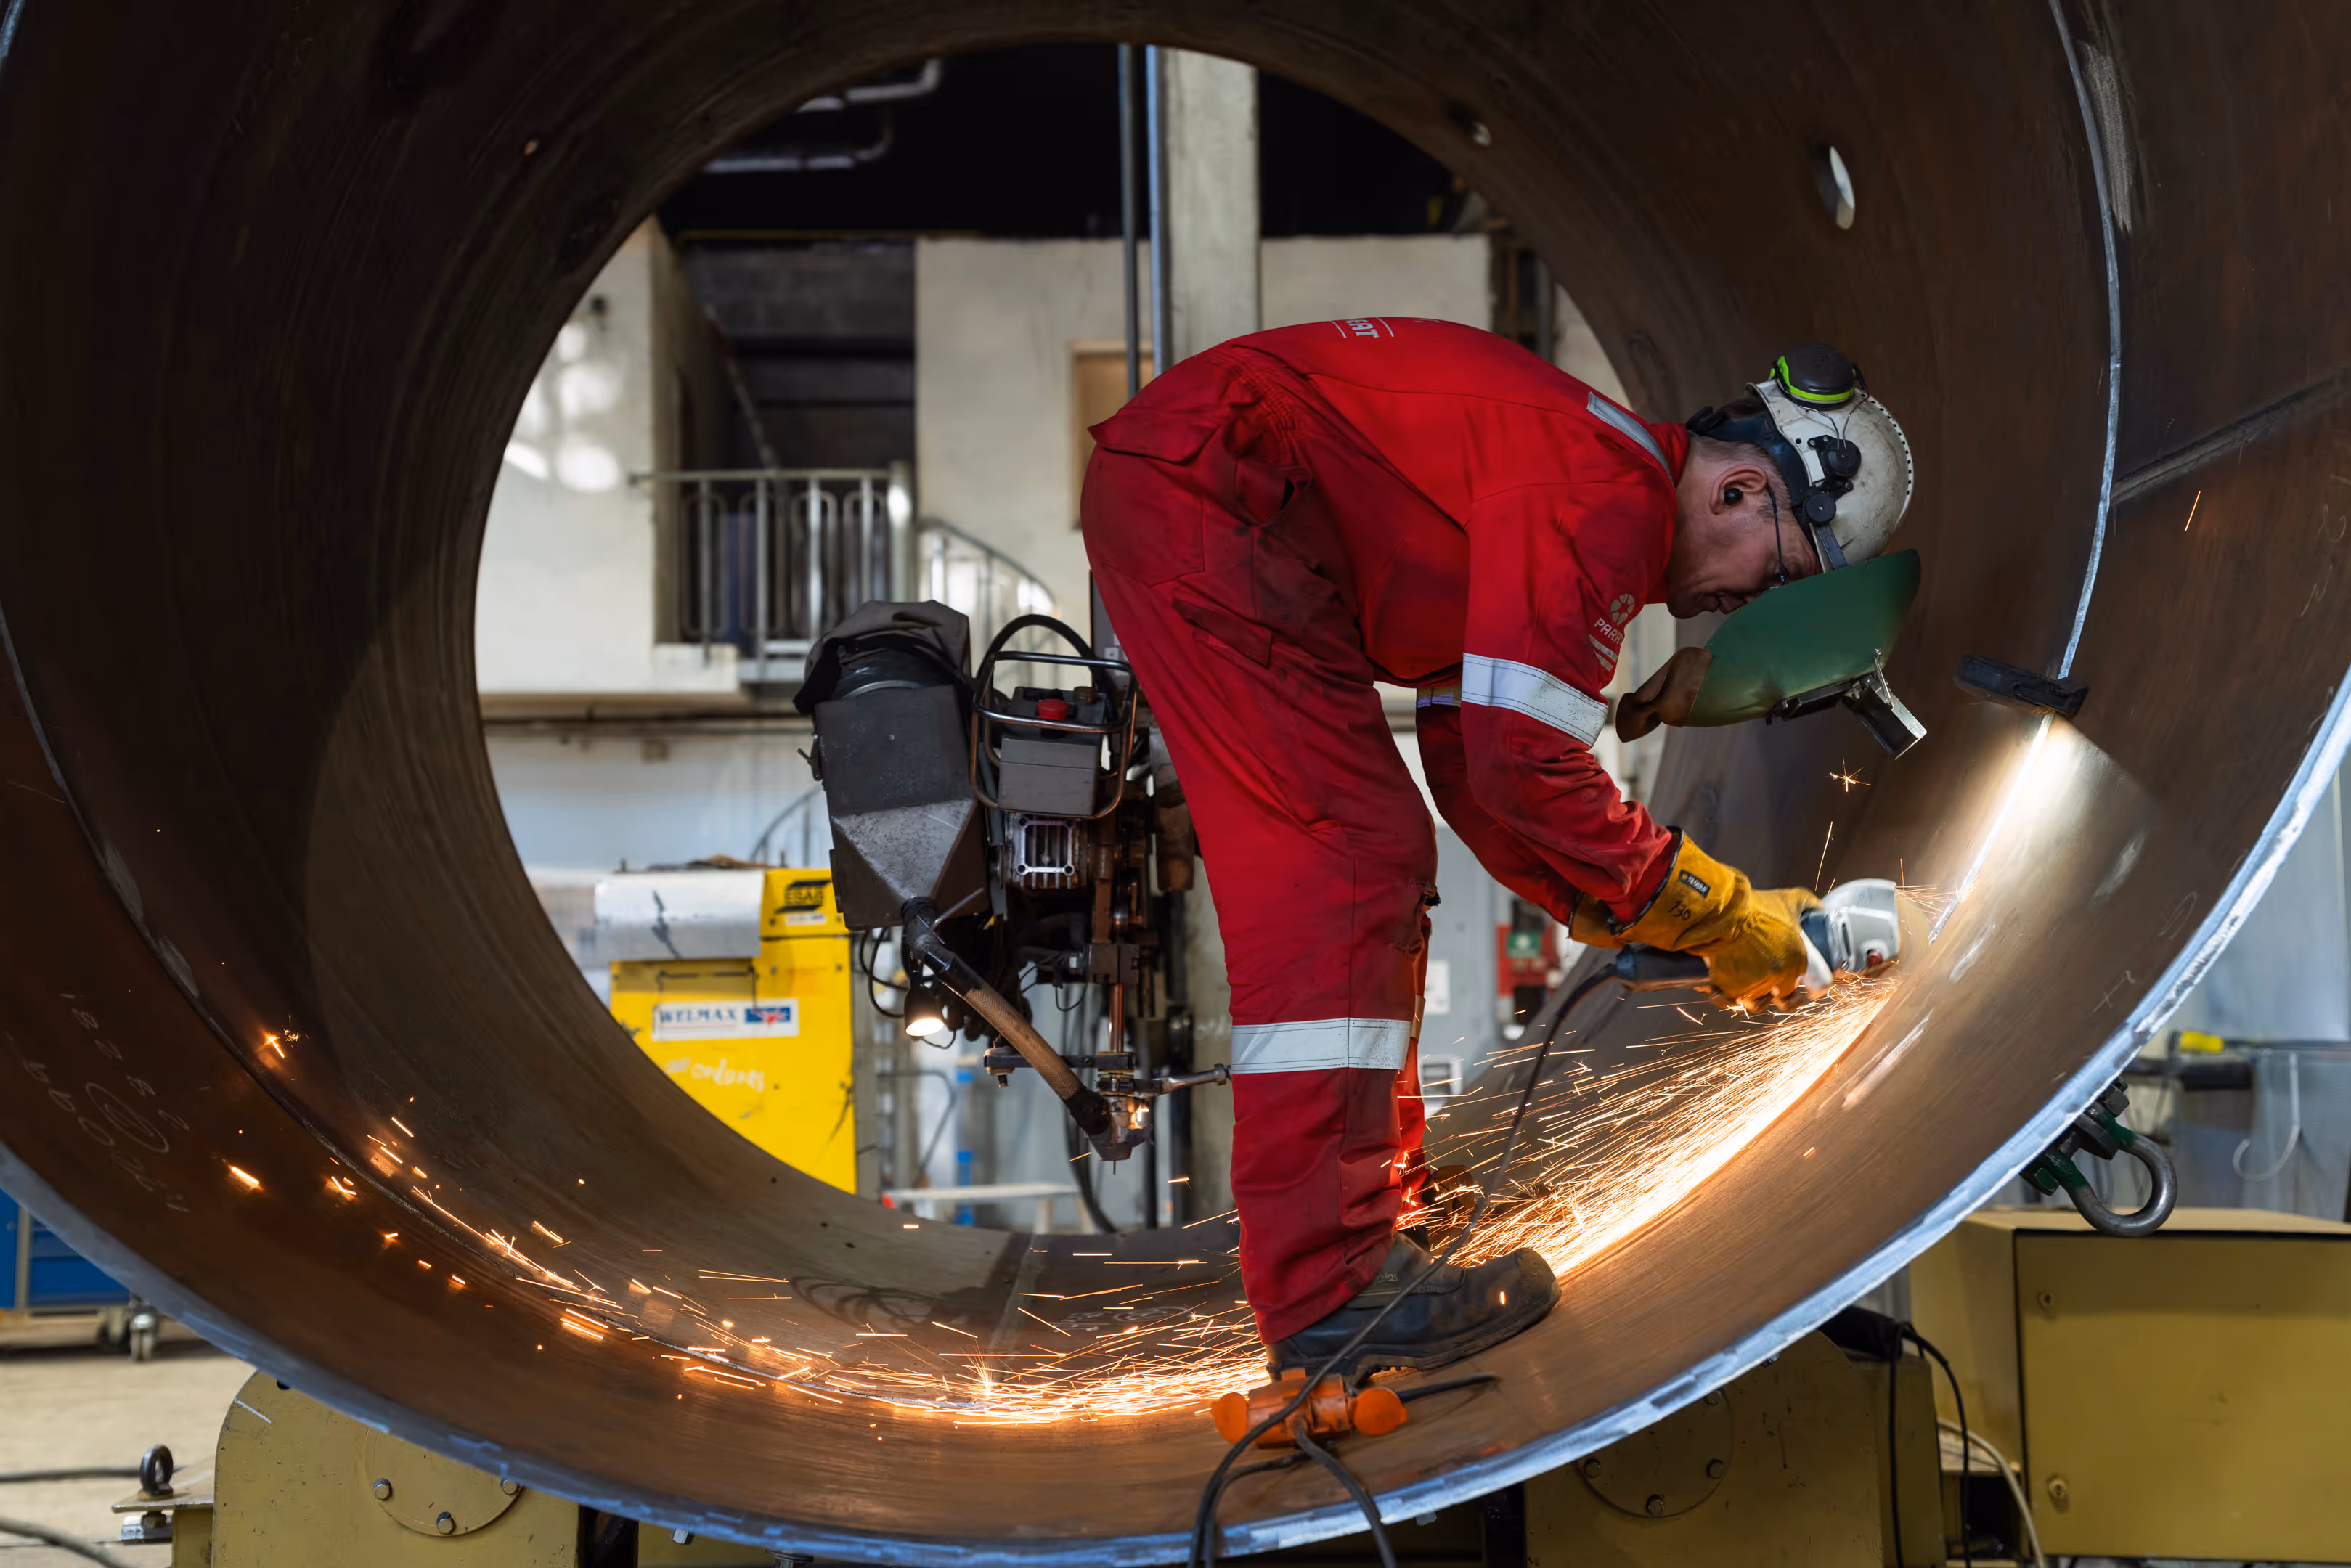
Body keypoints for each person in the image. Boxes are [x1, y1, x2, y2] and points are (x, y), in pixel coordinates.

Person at [1078, 319, 1913, 1379]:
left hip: (1225, 494)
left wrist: (1612, 911)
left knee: (1376, 856)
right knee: (1344, 860)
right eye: (1779, 574)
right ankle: (1329, 1287)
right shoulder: (1608, 495)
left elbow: (1474, 770)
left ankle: (1375, 1216)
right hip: (1218, 490)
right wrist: (1716, 910)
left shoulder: (1575, 474)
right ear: (1740, 489)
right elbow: (1522, 761)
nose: (1748, 604)